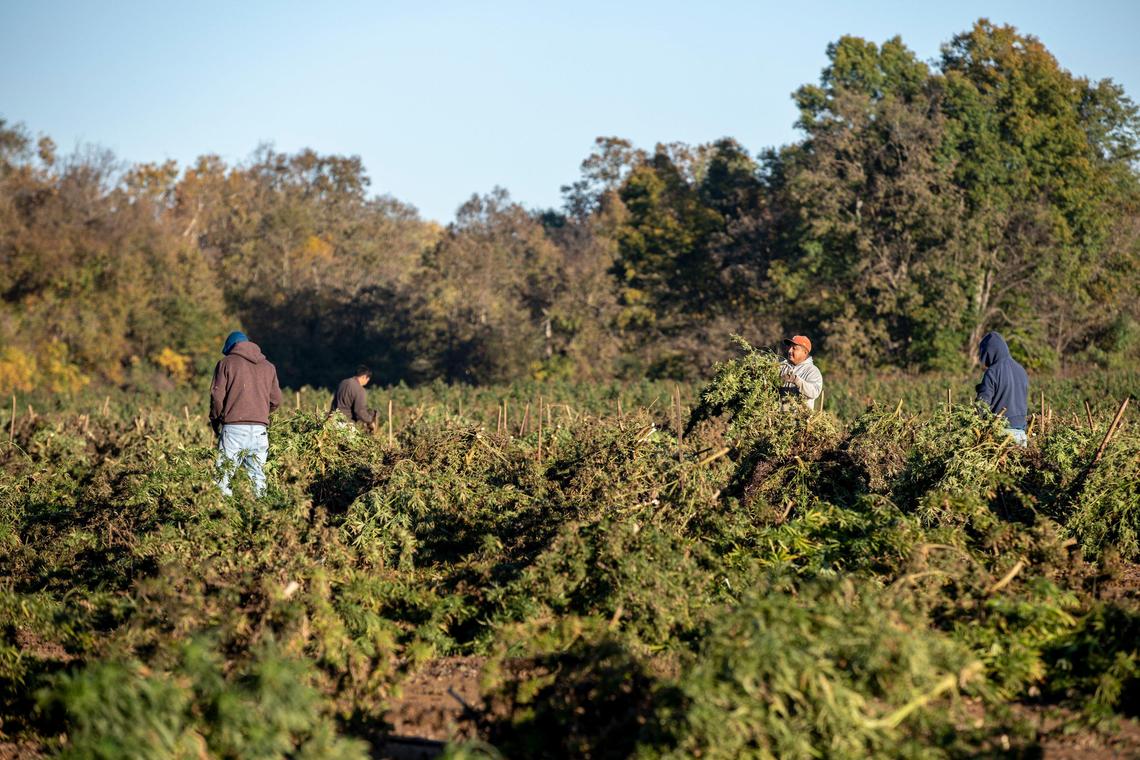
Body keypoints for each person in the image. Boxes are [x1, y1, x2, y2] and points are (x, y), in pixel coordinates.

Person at [209, 331, 282, 496]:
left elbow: (217, 396)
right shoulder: (269, 367)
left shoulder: (226, 363)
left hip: (234, 429)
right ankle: (261, 517)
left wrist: (216, 419)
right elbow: (276, 400)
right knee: (258, 478)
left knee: (223, 478)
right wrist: (260, 413)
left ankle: (223, 517)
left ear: (231, 347)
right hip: (260, 431)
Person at [975, 331, 1029, 446]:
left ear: (989, 352)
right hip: (1021, 435)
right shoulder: (1021, 370)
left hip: (1001, 434)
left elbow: (982, 406)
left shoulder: (992, 372)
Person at [779, 335, 823, 411]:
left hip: (799, 419)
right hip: (778, 418)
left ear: (805, 352)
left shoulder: (812, 371)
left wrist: (796, 380)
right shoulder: (782, 366)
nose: (789, 351)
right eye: (789, 347)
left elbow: (814, 392)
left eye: (794, 348)